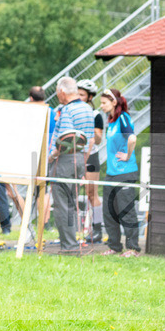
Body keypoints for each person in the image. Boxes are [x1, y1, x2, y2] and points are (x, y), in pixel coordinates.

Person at [48, 77, 96, 254]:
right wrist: (83, 160)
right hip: (80, 159)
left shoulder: (67, 110)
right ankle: (72, 243)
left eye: (57, 93)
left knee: (62, 204)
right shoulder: (88, 109)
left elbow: (65, 140)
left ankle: (69, 246)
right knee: (71, 202)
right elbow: (90, 140)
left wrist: (51, 157)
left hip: (65, 160)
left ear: (62, 91)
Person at [99, 88, 141, 255]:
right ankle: (114, 247)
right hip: (111, 173)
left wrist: (128, 155)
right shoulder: (111, 121)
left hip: (125, 172)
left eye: (104, 103)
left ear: (114, 102)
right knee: (109, 212)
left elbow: (132, 138)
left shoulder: (123, 117)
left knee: (126, 211)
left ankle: (133, 248)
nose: (101, 106)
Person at [77, 79, 105, 243]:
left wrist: (92, 131)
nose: (79, 97)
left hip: (92, 156)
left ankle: (97, 229)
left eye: (82, 95)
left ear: (89, 97)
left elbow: (99, 140)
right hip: (76, 155)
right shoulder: (74, 112)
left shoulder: (96, 115)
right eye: (77, 94)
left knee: (91, 193)